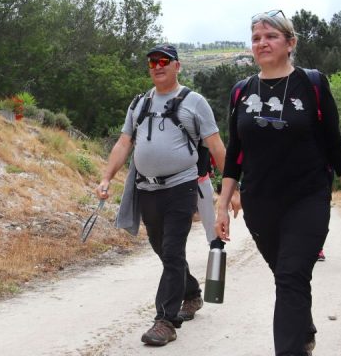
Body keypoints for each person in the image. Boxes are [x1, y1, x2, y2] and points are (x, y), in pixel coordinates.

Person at [214, 10, 341, 356]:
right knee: (287, 276)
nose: (262, 43)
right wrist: (222, 205)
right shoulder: (241, 91)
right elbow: (234, 153)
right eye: (256, 38)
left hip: (307, 199)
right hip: (260, 203)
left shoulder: (312, 84)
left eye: (271, 36)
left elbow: (334, 143)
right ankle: (303, 329)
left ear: (290, 43)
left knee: (291, 276)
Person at [95, 43, 239, 347]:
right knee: (162, 249)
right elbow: (124, 143)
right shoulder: (139, 103)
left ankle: (165, 321)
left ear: (177, 65)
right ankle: (192, 293)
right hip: (147, 189)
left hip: (181, 187)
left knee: (172, 250)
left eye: (164, 61)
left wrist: (232, 190)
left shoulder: (194, 102)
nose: (158, 66)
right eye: (152, 62)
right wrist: (106, 178)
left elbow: (217, 147)